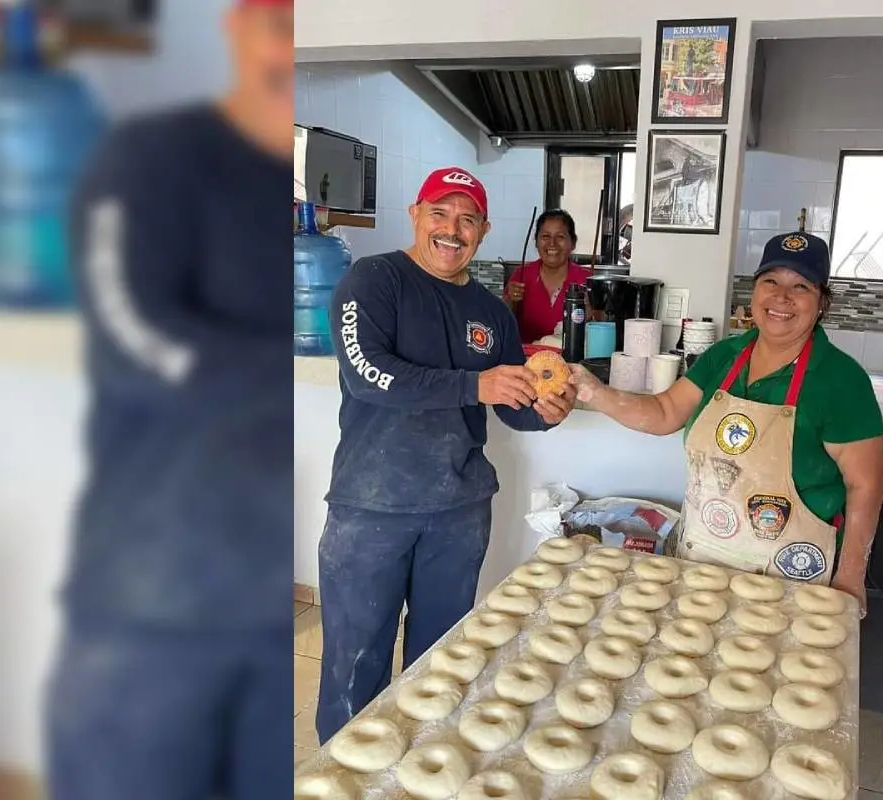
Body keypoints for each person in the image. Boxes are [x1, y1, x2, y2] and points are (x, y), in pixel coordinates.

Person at [48, 1, 294, 798]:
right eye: (280, 24)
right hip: (152, 601)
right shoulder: (149, 160)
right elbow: (133, 343)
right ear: (236, 28)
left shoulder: (289, 201)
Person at [316, 166, 577, 742]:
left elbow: (510, 403)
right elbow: (368, 374)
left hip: (458, 510)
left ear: (483, 230)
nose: (451, 230)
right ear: (416, 214)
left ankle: (419, 771)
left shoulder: (491, 312)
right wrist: (472, 386)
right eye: (440, 213)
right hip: (372, 506)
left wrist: (543, 412)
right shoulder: (373, 279)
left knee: (440, 665)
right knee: (355, 665)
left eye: (467, 219)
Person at [570, 232, 883, 611]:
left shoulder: (840, 379)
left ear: (822, 302)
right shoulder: (724, 356)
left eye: (800, 285)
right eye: (771, 281)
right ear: (754, 292)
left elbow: (865, 483)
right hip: (704, 561)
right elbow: (666, 413)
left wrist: (850, 575)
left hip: (790, 575)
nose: (782, 297)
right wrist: (594, 392)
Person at [504, 209, 592, 344]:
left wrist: (592, 314)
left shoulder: (587, 280)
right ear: (536, 242)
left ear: (573, 242)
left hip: (572, 361)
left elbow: (601, 329)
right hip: (526, 360)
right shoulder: (521, 275)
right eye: (545, 236)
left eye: (560, 237)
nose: (552, 244)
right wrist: (511, 300)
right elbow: (502, 323)